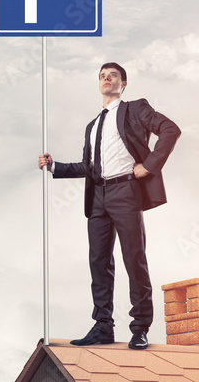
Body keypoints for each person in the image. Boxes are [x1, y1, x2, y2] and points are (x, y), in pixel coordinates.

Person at [38, 62, 180, 349]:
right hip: (98, 198)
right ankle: (103, 327)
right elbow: (89, 167)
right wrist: (55, 167)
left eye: (113, 75)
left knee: (134, 259)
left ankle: (140, 328)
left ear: (123, 83)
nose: (107, 79)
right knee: (99, 263)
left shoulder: (136, 109)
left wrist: (150, 166)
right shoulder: (92, 126)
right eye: (102, 76)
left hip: (126, 191)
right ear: (98, 84)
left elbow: (170, 130)